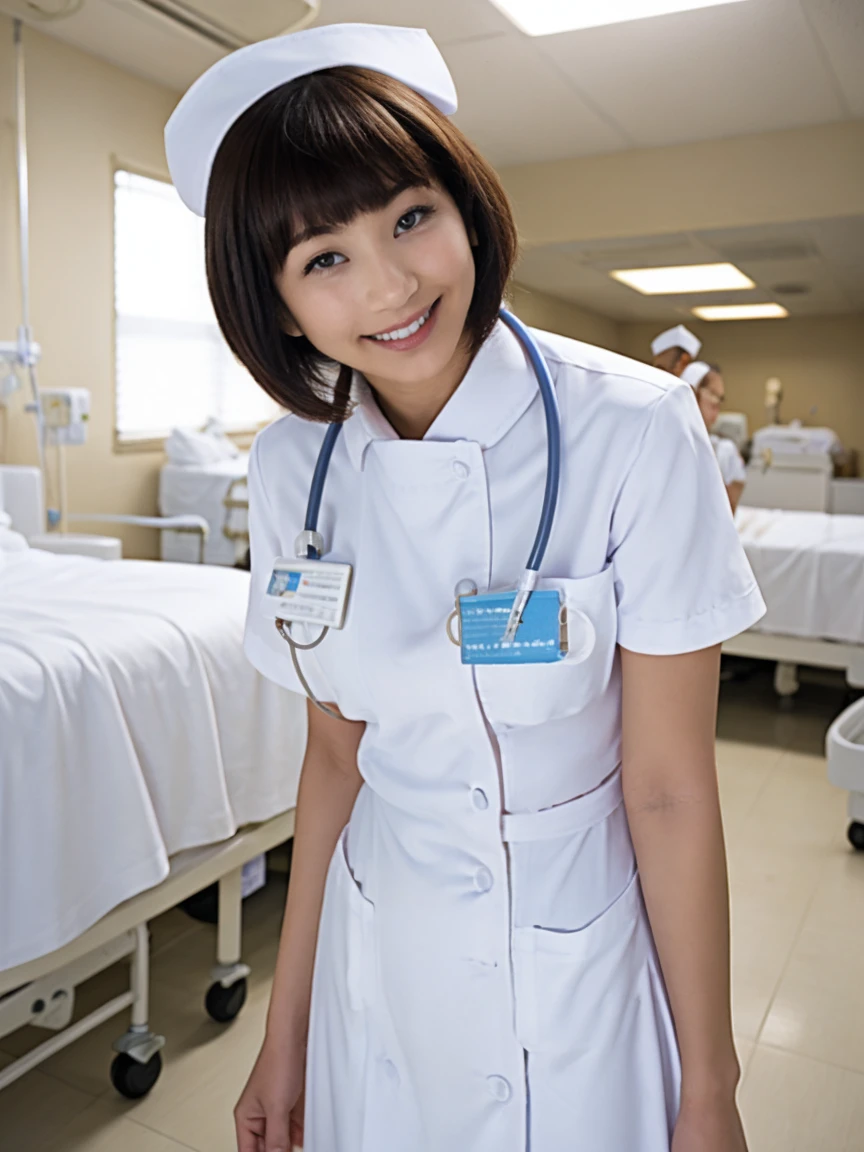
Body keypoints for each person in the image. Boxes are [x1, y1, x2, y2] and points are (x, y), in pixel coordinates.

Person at [165, 23, 765, 1152]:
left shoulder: (633, 428)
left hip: (578, 960)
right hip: (376, 954)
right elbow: (336, 760)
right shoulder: (294, 462)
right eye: (324, 258)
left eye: (410, 217)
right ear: (280, 305)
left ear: (467, 205)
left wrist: (711, 1086)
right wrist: (284, 1029)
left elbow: (672, 789)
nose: (391, 284)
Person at [683, 361, 747, 512]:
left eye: (720, 399)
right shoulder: (666, 446)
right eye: (713, 395)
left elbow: (729, 511)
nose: (716, 404)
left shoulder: (723, 452)